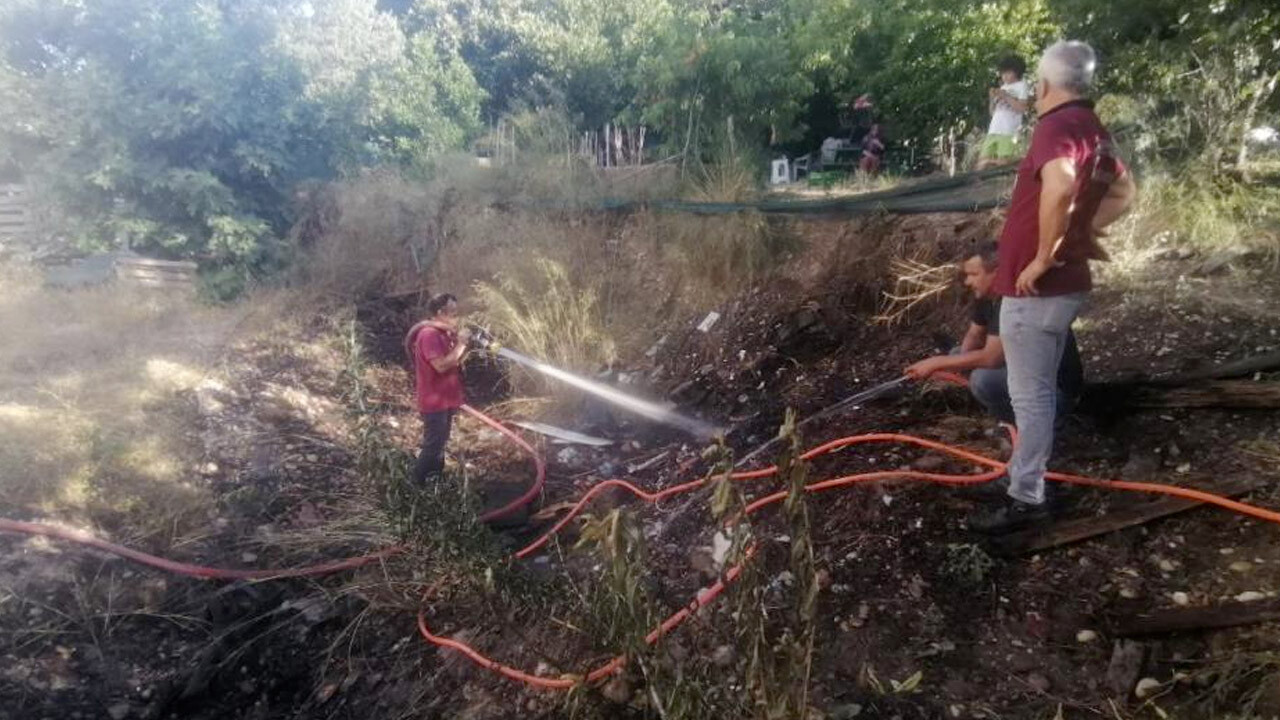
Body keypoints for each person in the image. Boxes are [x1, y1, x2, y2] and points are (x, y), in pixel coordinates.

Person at [968, 40, 1137, 534]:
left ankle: (1027, 499)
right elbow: (1126, 192)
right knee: (1034, 392)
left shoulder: (1055, 126)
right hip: (1062, 286)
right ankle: (1028, 477)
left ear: (1041, 85)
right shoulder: (1092, 128)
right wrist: (1078, 236)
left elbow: (1061, 184)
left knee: (1031, 397)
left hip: (1037, 291)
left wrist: (1044, 256)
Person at [903, 241, 1083, 425]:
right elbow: (975, 335)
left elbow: (992, 358)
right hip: (1026, 370)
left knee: (984, 380)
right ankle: (1002, 408)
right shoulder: (988, 297)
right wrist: (957, 365)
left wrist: (936, 363)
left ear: (997, 273)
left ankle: (1019, 425)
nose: (967, 281)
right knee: (958, 355)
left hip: (1056, 393)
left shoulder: (1014, 300)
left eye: (973, 274)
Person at [405, 293, 472, 485]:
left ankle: (434, 481)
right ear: (440, 312)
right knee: (433, 446)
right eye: (452, 312)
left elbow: (453, 361)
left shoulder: (443, 333)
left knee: (441, 443)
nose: (456, 317)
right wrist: (461, 344)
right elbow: (441, 365)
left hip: (446, 399)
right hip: (435, 402)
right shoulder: (429, 335)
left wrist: (458, 342)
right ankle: (414, 486)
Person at [976, 55, 1031, 170]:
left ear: (1017, 72)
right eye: (1002, 73)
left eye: (1008, 73)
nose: (1004, 76)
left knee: (1003, 162)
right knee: (982, 160)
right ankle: (975, 184)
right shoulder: (1004, 87)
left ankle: (1020, 162)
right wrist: (992, 98)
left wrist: (1006, 97)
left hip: (1008, 131)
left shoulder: (1022, 86)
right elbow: (992, 113)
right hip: (994, 129)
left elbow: (1022, 108)